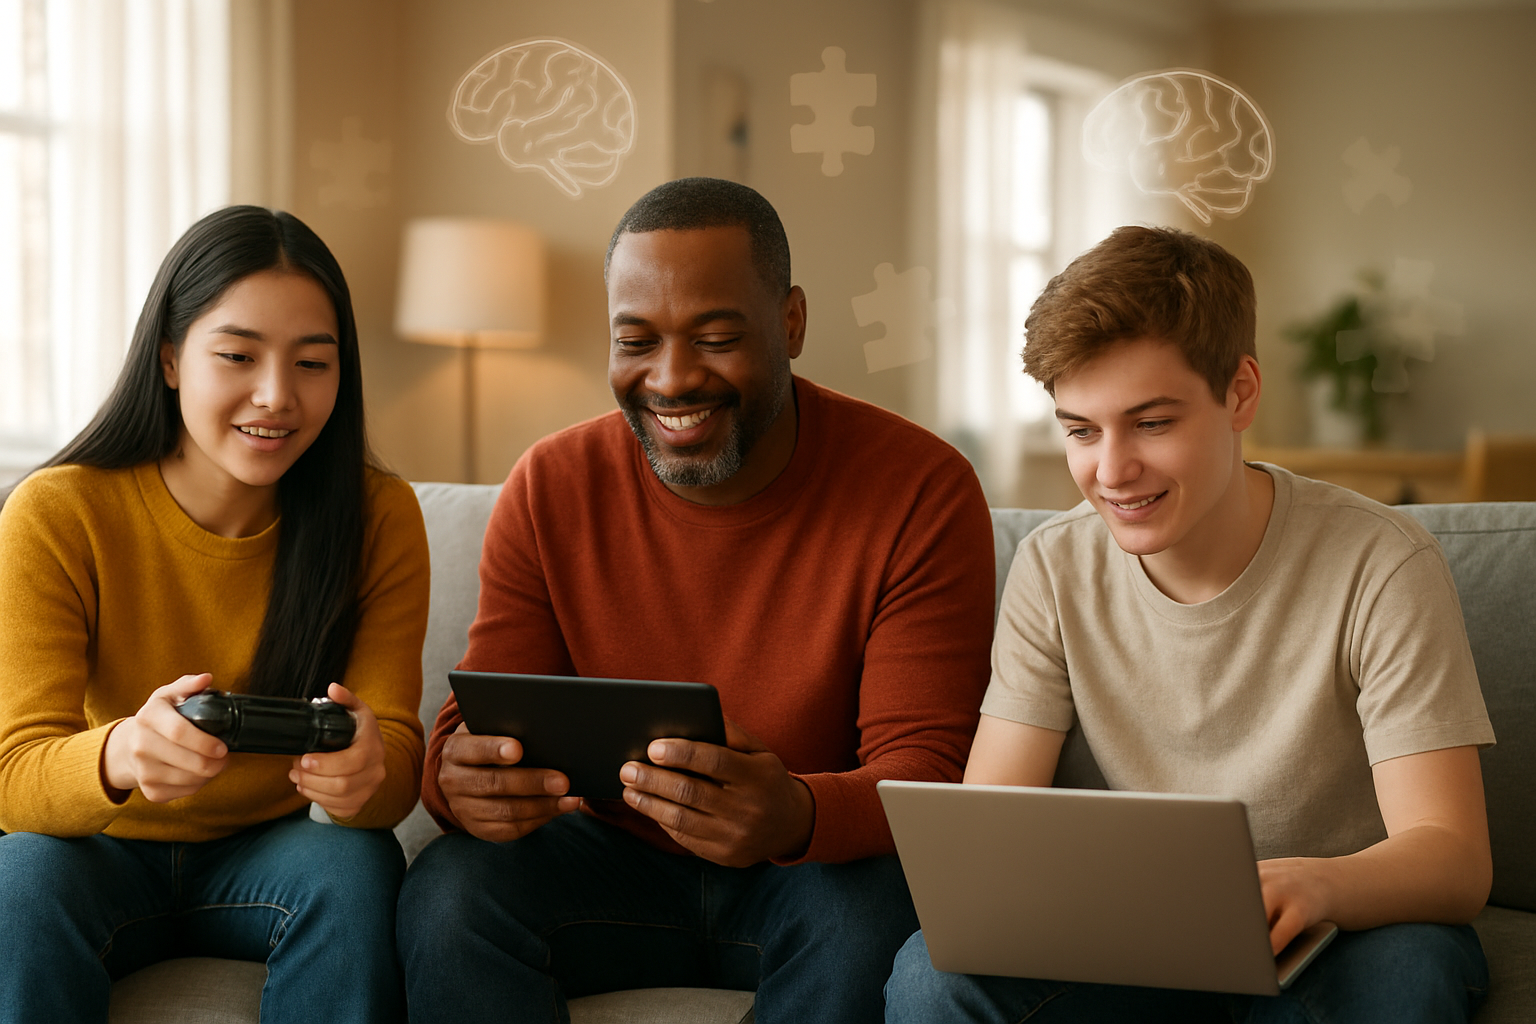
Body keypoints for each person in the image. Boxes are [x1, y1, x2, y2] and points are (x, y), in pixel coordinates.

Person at [396, 177, 996, 1024]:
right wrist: (457, 783)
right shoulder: (550, 485)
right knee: (449, 896)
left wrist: (794, 813)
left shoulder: (919, 490)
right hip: (605, 857)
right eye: (635, 341)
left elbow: (928, 769)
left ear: (790, 322)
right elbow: (480, 719)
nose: (671, 379)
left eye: (715, 338)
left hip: (815, 871)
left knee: (876, 920)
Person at [884, 225, 1495, 1023]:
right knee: (932, 975)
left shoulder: (1382, 564)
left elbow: (1452, 856)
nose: (1110, 471)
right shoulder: (1052, 568)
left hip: (1346, 924)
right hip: (1137, 936)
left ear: (1240, 393)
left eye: (1152, 422)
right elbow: (988, 840)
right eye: (1080, 429)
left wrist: (1314, 883)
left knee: (1409, 977)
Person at [0, 206, 430, 1024]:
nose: (277, 395)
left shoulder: (378, 517)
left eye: (313, 362)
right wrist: (120, 754)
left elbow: (398, 763)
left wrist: (366, 774)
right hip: (98, 851)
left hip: (273, 853)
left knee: (357, 866)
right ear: (169, 358)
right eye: (237, 355)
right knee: (17, 879)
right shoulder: (58, 513)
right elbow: (13, 776)